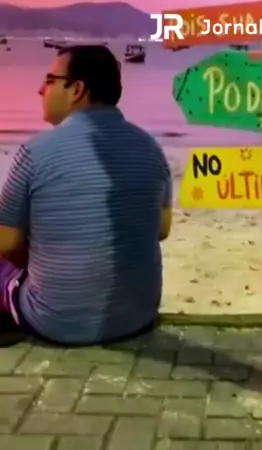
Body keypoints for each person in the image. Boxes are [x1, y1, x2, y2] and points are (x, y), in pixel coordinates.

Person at [0, 45, 172, 344]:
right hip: (137, 316)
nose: (40, 90)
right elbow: (161, 229)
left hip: (56, 323)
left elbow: (6, 242)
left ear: (77, 90)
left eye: (50, 80)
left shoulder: (35, 152)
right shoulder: (150, 147)